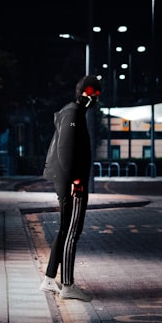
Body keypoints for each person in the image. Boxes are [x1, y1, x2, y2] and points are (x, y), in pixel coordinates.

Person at [40, 74, 100, 301]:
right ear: (82, 93)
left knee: (65, 229)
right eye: (92, 93)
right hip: (72, 182)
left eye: (97, 94)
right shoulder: (74, 113)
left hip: (68, 180)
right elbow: (65, 150)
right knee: (72, 232)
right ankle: (67, 285)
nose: (94, 98)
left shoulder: (72, 112)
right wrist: (76, 180)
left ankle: (49, 278)